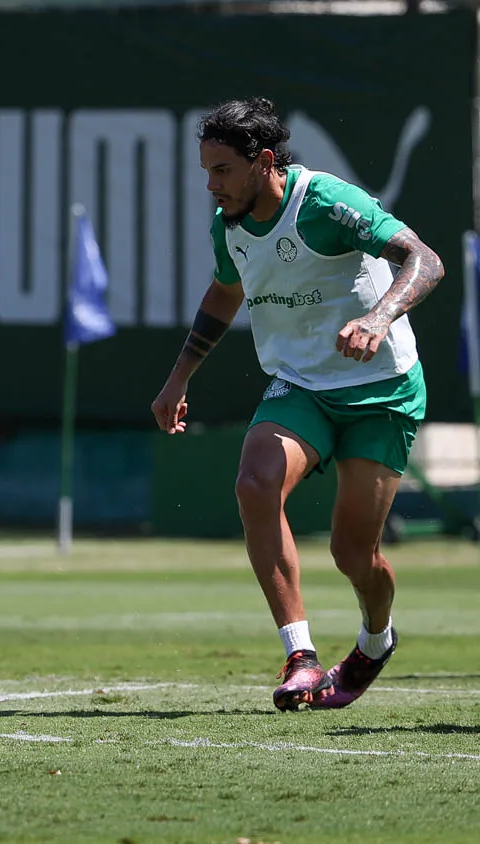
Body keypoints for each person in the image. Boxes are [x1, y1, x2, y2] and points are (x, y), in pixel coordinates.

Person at [151, 97, 443, 712]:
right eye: (205, 171)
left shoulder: (329, 203)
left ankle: (374, 640)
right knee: (256, 482)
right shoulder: (228, 223)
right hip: (301, 386)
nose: (212, 185)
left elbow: (426, 261)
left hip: (380, 388)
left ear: (263, 162)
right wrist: (179, 378)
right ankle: (301, 657)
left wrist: (378, 316)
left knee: (351, 554)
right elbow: (226, 292)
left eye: (222, 170)